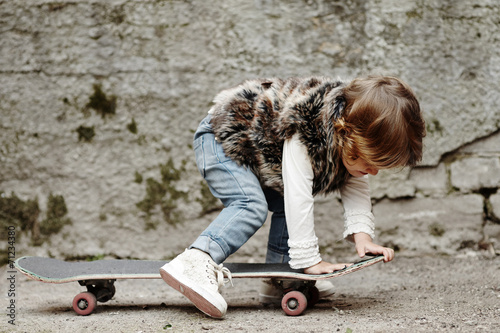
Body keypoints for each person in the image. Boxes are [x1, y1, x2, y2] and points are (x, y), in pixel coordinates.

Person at [160, 75, 426, 318]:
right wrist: (309, 261)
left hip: (260, 152)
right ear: (345, 134)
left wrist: (363, 237)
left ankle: (280, 279)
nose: (373, 172)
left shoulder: (351, 131)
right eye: (369, 163)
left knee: (285, 207)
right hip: (221, 138)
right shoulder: (305, 129)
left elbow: (355, 185)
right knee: (251, 205)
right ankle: (196, 260)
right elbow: (299, 195)